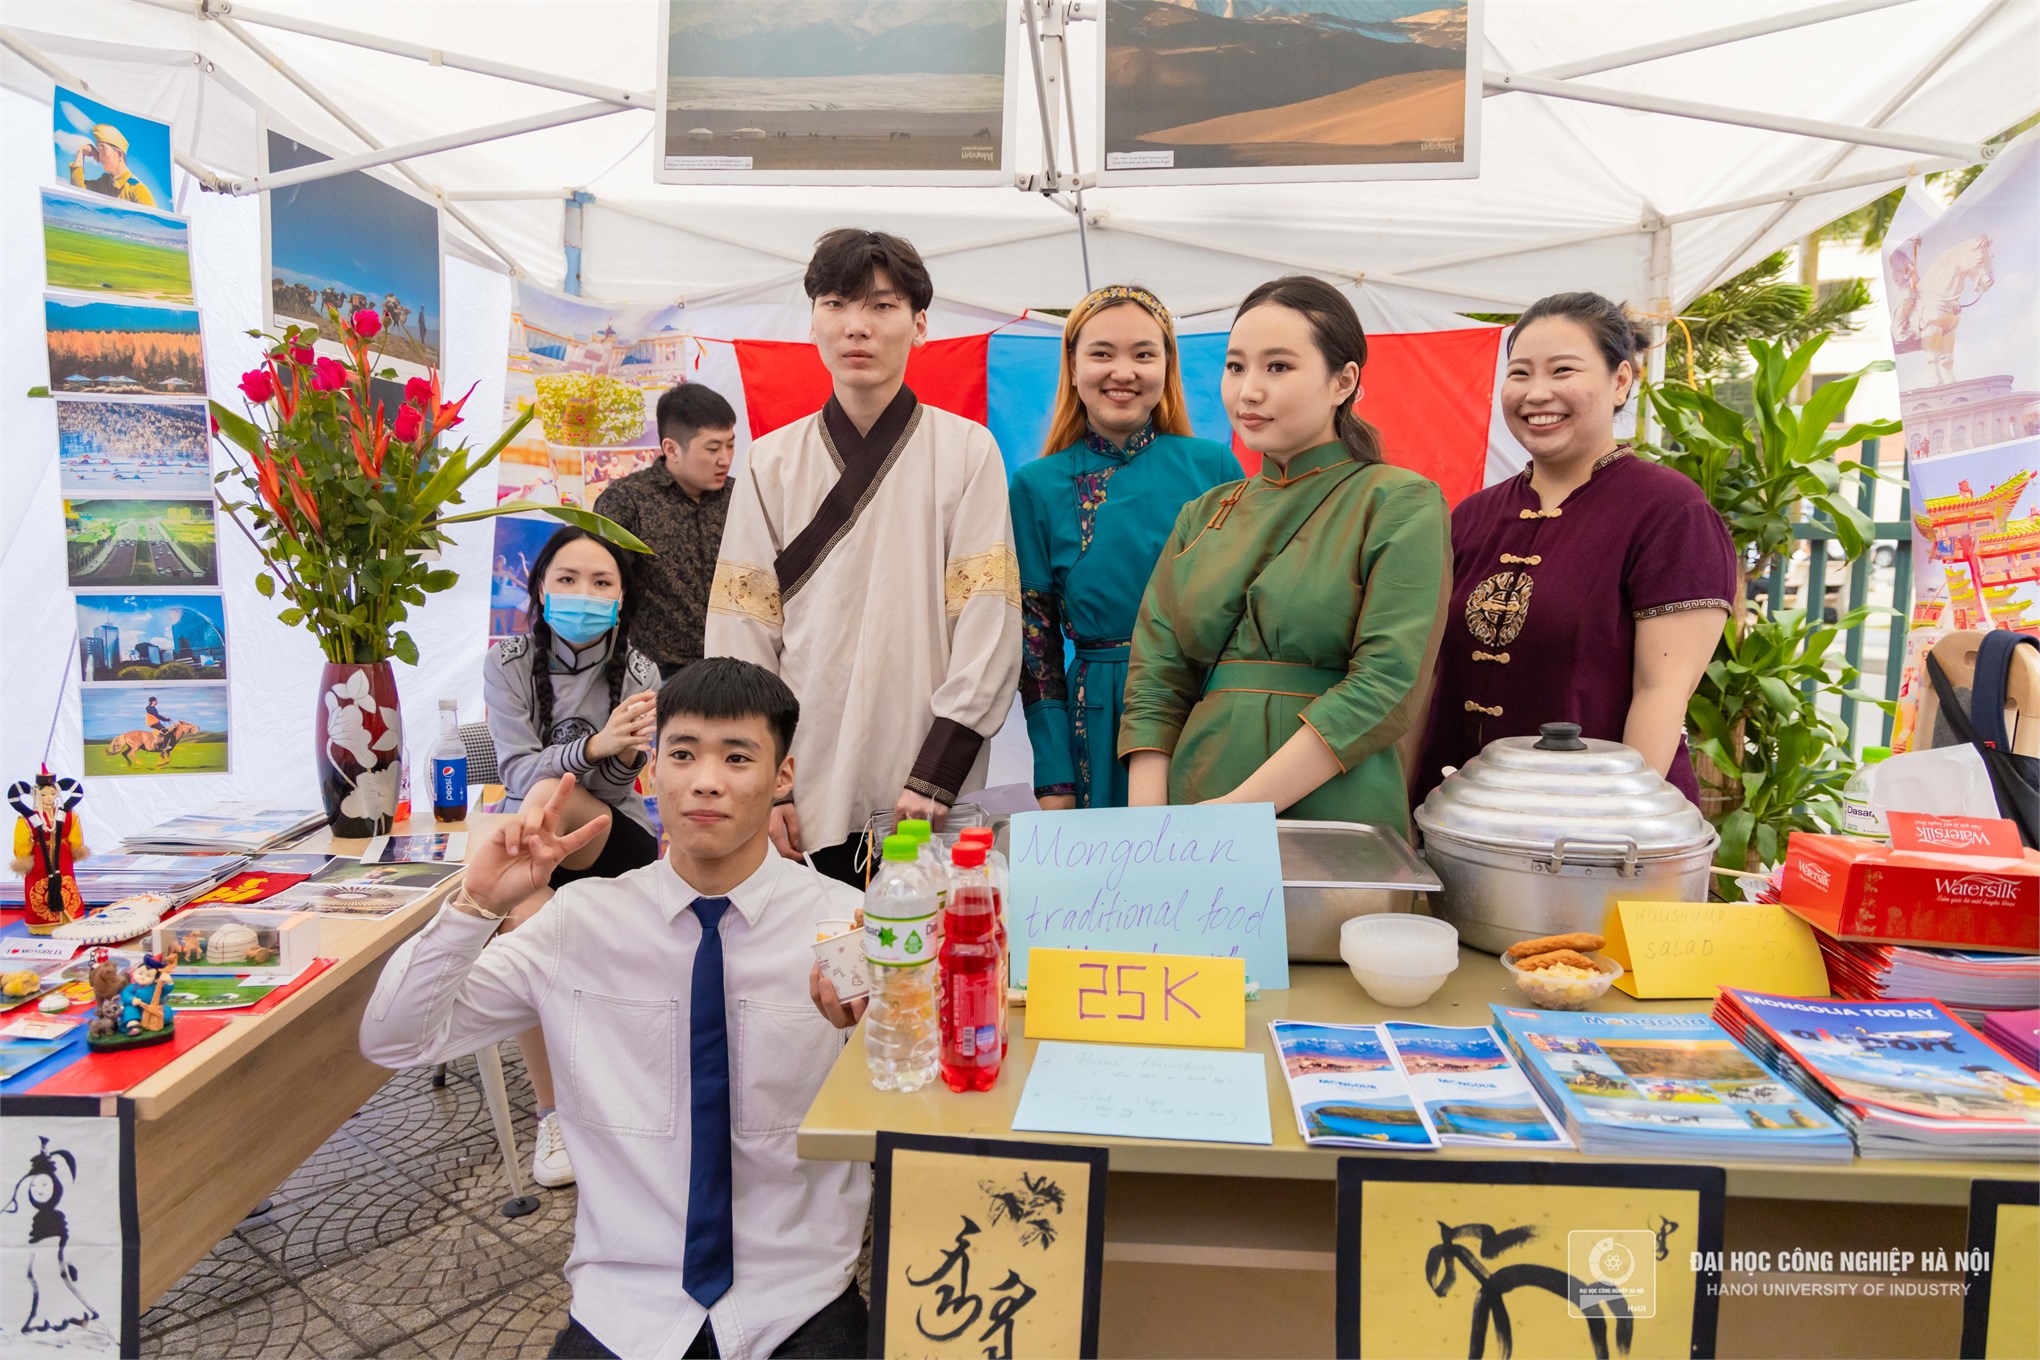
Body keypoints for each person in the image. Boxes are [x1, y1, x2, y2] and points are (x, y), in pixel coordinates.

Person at [361, 660, 867, 1360]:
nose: (708, 780)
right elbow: (393, 1039)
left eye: (739, 757)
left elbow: (934, 1097)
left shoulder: (846, 925)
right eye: (683, 754)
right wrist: (476, 904)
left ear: (782, 776)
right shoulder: (581, 923)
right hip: (629, 1305)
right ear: (650, 772)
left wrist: (880, 1031)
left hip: (798, 1296)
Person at [707, 229, 1020, 885]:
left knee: (928, 966)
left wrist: (937, 773)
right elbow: (741, 637)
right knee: (806, 974)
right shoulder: (772, 461)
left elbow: (988, 624)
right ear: (814, 320)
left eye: (882, 306)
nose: (858, 327)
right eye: (837, 304)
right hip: (799, 779)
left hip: (929, 780)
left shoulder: (967, 451)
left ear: (920, 324)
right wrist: (766, 784)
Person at [1118, 276, 1449, 829]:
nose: (1248, 390)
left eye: (1278, 367)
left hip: (1333, 801)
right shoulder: (1200, 514)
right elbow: (1156, 677)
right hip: (1194, 798)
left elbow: (1386, 682)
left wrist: (1237, 812)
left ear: (1343, 381)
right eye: (1235, 366)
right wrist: (1149, 826)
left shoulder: (1399, 501)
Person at [1414, 292, 1736, 807]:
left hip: (1591, 832)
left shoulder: (1671, 511)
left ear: (1621, 380)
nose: (1537, 393)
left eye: (1562, 370)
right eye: (1519, 373)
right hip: (1459, 820)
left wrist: (1619, 835)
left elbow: (1661, 696)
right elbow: (1430, 682)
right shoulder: (1471, 516)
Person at [1010, 285, 1241, 810]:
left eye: (1143, 354)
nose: (1123, 371)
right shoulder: (1036, 486)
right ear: (1072, 367)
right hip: (1096, 722)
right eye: (1101, 353)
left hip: (1203, 710)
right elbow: (1036, 647)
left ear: (1167, 366)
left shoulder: (1216, 469)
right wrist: (1054, 779)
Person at [483, 524, 662, 1188]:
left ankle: (603, 1100)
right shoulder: (507, 661)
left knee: (542, 809)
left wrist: (612, 755)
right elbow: (516, 769)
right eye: (567, 580)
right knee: (527, 925)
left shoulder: (640, 671)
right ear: (540, 589)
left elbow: (615, 791)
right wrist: (594, 747)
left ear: (620, 600)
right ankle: (554, 1114)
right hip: (536, 846)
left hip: (616, 842)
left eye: (601, 583)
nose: (583, 594)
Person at [594, 383, 740, 680]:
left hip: (736, 667)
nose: (725, 458)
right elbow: (604, 585)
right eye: (712, 448)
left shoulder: (743, 496)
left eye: (730, 444)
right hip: (656, 675)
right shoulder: (626, 501)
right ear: (671, 449)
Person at [69, 123, 156, 206]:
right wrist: (81, 153)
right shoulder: (104, 183)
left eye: (102, 149)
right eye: (98, 150)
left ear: (119, 154)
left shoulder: (138, 190)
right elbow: (77, 191)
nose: (99, 155)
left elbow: (152, 220)